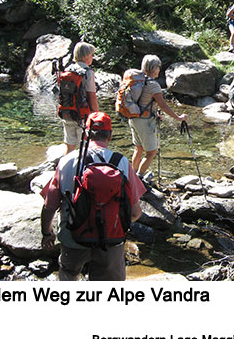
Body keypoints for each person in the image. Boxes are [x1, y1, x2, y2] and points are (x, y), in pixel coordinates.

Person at [40, 111, 145, 281]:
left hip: (73, 236)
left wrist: (47, 233)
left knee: (68, 274)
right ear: (110, 136)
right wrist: (112, 222)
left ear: (85, 134)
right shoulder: (122, 162)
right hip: (110, 240)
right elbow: (135, 213)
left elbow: (49, 205)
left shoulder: (67, 161)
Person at [128, 55, 188, 182]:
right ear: (154, 68)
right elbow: (163, 105)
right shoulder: (153, 85)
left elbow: (144, 102)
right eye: (158, 67)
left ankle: (131, 176)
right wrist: (178, 117)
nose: (159, 69)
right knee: (151, 153)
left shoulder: (138, 81)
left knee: (138, 149)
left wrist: (155, 113)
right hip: (145, 122)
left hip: (133, 118)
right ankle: (138, 179)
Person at [61, 42, 99, 154]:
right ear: (86, 56)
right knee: (87, 146)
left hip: (67, 112)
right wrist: (96, 114)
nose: (92, 57)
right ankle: (83, 168)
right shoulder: (87, 72)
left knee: (70, 145)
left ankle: (66, 168)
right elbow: (91, 95)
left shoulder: (68, 70)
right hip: (82, 114)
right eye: (92, 55)